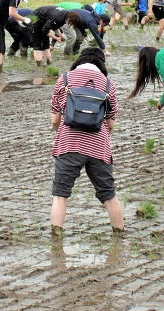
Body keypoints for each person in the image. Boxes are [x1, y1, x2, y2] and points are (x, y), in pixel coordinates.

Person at [49, 47, 123, 236]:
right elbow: (111, 122)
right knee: (109, 195)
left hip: (69, 145)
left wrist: (62, 132)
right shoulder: (108, 85)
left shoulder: (64, 80)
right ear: (101, 64)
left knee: (60, 195)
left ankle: (56, 240)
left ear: (79, 60)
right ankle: (119, 235)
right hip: (99, 147)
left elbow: (55, 120)